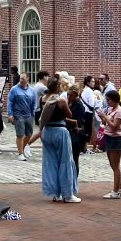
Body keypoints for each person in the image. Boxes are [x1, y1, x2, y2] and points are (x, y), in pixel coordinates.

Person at [39, 76, 80, 204]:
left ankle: (55, 193)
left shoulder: (42, 99)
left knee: (51, 163)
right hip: (59, 131)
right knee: (65, 162)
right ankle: (68, 194)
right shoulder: (61, 101)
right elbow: (69, 115)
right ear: (57, 87)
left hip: (47, 132)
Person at [6, 72, 37, 160]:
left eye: (23, 78)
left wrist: (33, 113)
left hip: (29, 115)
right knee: (20, 134)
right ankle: (20, 153)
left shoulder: (31, 90)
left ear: (28, 79)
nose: (21, 80)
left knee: (29, 133)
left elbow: (34, 102)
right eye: (20, 78)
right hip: (18, 115)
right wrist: (10, 114)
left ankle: (22, 148)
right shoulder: (14, 89)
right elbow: (10, 102)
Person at [101, 88, 121, 199]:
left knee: (115, 166)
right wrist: (103, 117)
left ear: (115, 100)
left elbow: (115, 126)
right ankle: (119, 187)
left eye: (109, 100)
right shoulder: (111, 109)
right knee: (113, 165)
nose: (107, 102)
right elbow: (106, 123)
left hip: (116, 140)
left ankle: (115, 191)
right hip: (109, 138)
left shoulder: (119, 111)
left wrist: (105, 117)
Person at [66, 84, 88, 175]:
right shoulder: (69, 103)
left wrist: (66, 120)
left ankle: (74, 178)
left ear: (76, 95)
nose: (68, 97)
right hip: (68, 133)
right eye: (68, 95)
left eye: (71, 95)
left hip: (75, 134)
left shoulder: (79, 105)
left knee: (74, 159)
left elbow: (80, 122)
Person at [80, 75, 98, 153]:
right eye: (92, 81)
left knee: (84, 130)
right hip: (88, 112)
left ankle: (83, 148)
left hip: (84, 112)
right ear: (88, 82)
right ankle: (84, 149)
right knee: (87, 131)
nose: (94, 83)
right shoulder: (90, 91)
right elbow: (92, 104)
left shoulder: (84, 90)